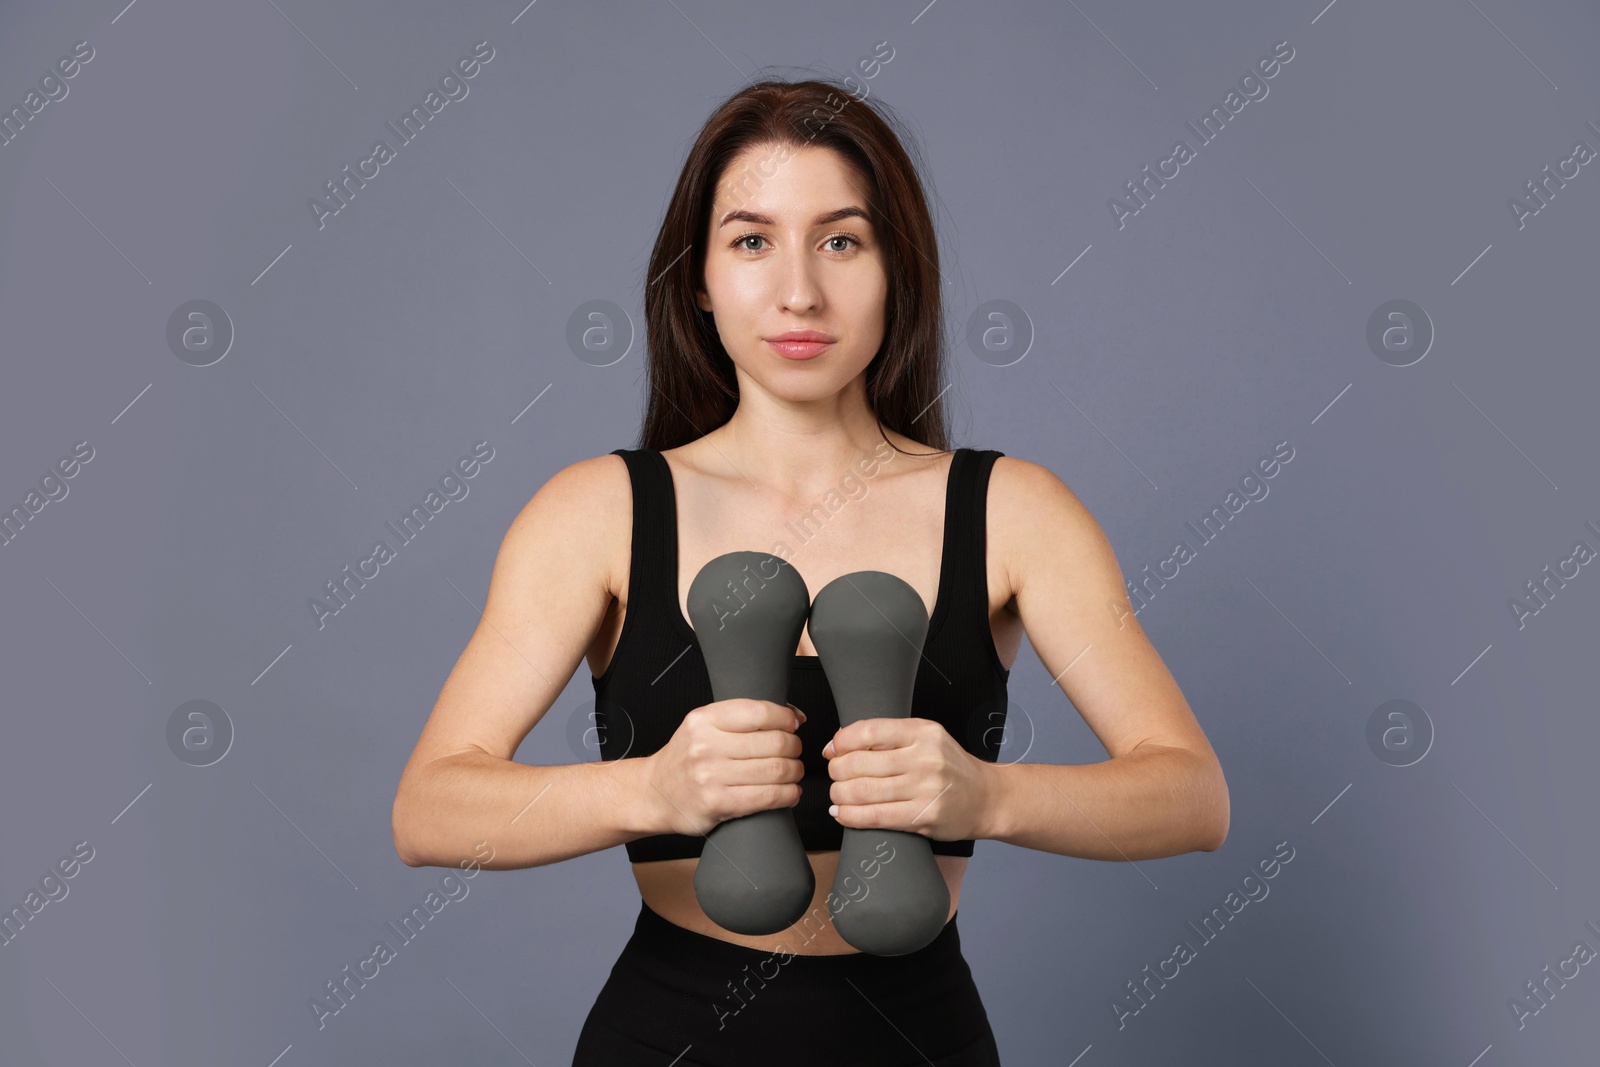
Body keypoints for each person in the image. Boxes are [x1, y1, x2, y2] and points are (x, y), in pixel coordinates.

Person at [391, 77, 1229, 1066]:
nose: (799, 290)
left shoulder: (1012, 509)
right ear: (698, 277)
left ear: (895, 270)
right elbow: (429, 809)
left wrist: (985, 796)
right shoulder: (597, 512)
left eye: (841, 240)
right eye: (752, 241)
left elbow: (1191, 795)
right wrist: (654, 790)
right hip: (666, 1033)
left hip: (918, 1034)